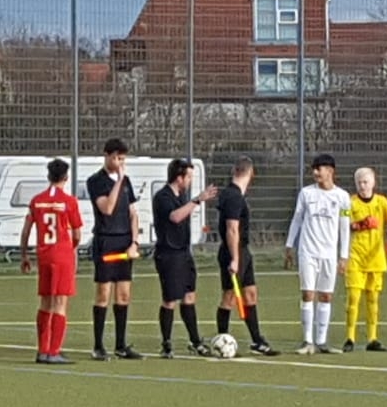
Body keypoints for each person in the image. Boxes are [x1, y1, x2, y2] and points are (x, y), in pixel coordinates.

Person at [284, 153, 352, 354]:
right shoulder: (306, 193)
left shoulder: (342, 197)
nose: (315, 172)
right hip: (308, 251)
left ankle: (321, 341)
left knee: (326, 296)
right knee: (307, 294)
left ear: (330, 171)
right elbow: (297, 219)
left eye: (319, 169)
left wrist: (344, 256)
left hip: (329, 254)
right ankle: (307, 341)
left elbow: (345, 227)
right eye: (313, 169)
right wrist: (289, 245)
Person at [152, 159, 219, 358]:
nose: (190, 181)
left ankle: (195, 341)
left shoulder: (181, 197)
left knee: (189, 296)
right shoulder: (162, 197)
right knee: (170, 299)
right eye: (188, 176)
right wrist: (197, 200)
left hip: (183, 253)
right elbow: (175, 217)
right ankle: (166, 343)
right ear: (179, 178)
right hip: (168, 254)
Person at [20, 157, 85, 364]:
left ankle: (42, 350)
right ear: (66, 177)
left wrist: (24, 255)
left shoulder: (36, 201)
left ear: (48, 176)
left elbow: (26, 230)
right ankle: (54, 351)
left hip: (44, 255)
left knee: (45, 302)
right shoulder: (69, 202)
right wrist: (71, 248)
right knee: (60, 303)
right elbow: (77, 234)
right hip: (62, 254)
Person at [85, 138, 142, 360]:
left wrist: (134, 242)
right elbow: (107, 208)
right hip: (106, 242)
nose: (120, 163)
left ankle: (121, 344)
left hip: (124, 242)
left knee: (124, 294)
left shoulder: (127, 182)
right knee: (103, 293)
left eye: (123, 159)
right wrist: (118, 181)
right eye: (116, 158)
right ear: (107, 156)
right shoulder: (96, 181)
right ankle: (98, 345)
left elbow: (133, 214)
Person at [215, 157, 277, 354]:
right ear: (251, 173)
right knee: (230, 296)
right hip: (234, 251)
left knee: (250, 293)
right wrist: (234, 258)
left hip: (243, 251)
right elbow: (231, 229)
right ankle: (221, 340)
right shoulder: (233, 196)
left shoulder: (236, 195)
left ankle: (257, 341)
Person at [343, 165, 387, 352]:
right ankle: (350, 338)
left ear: (373, 182)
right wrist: (360, 224)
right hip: (356, 256)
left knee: (373, 299)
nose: (362, 186)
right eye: (359, 182)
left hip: (376, 258)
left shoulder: (381, 202)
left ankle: (372, 338)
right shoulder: (349, 203)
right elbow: (342, 224)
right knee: (353, 298)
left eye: (366, 182)